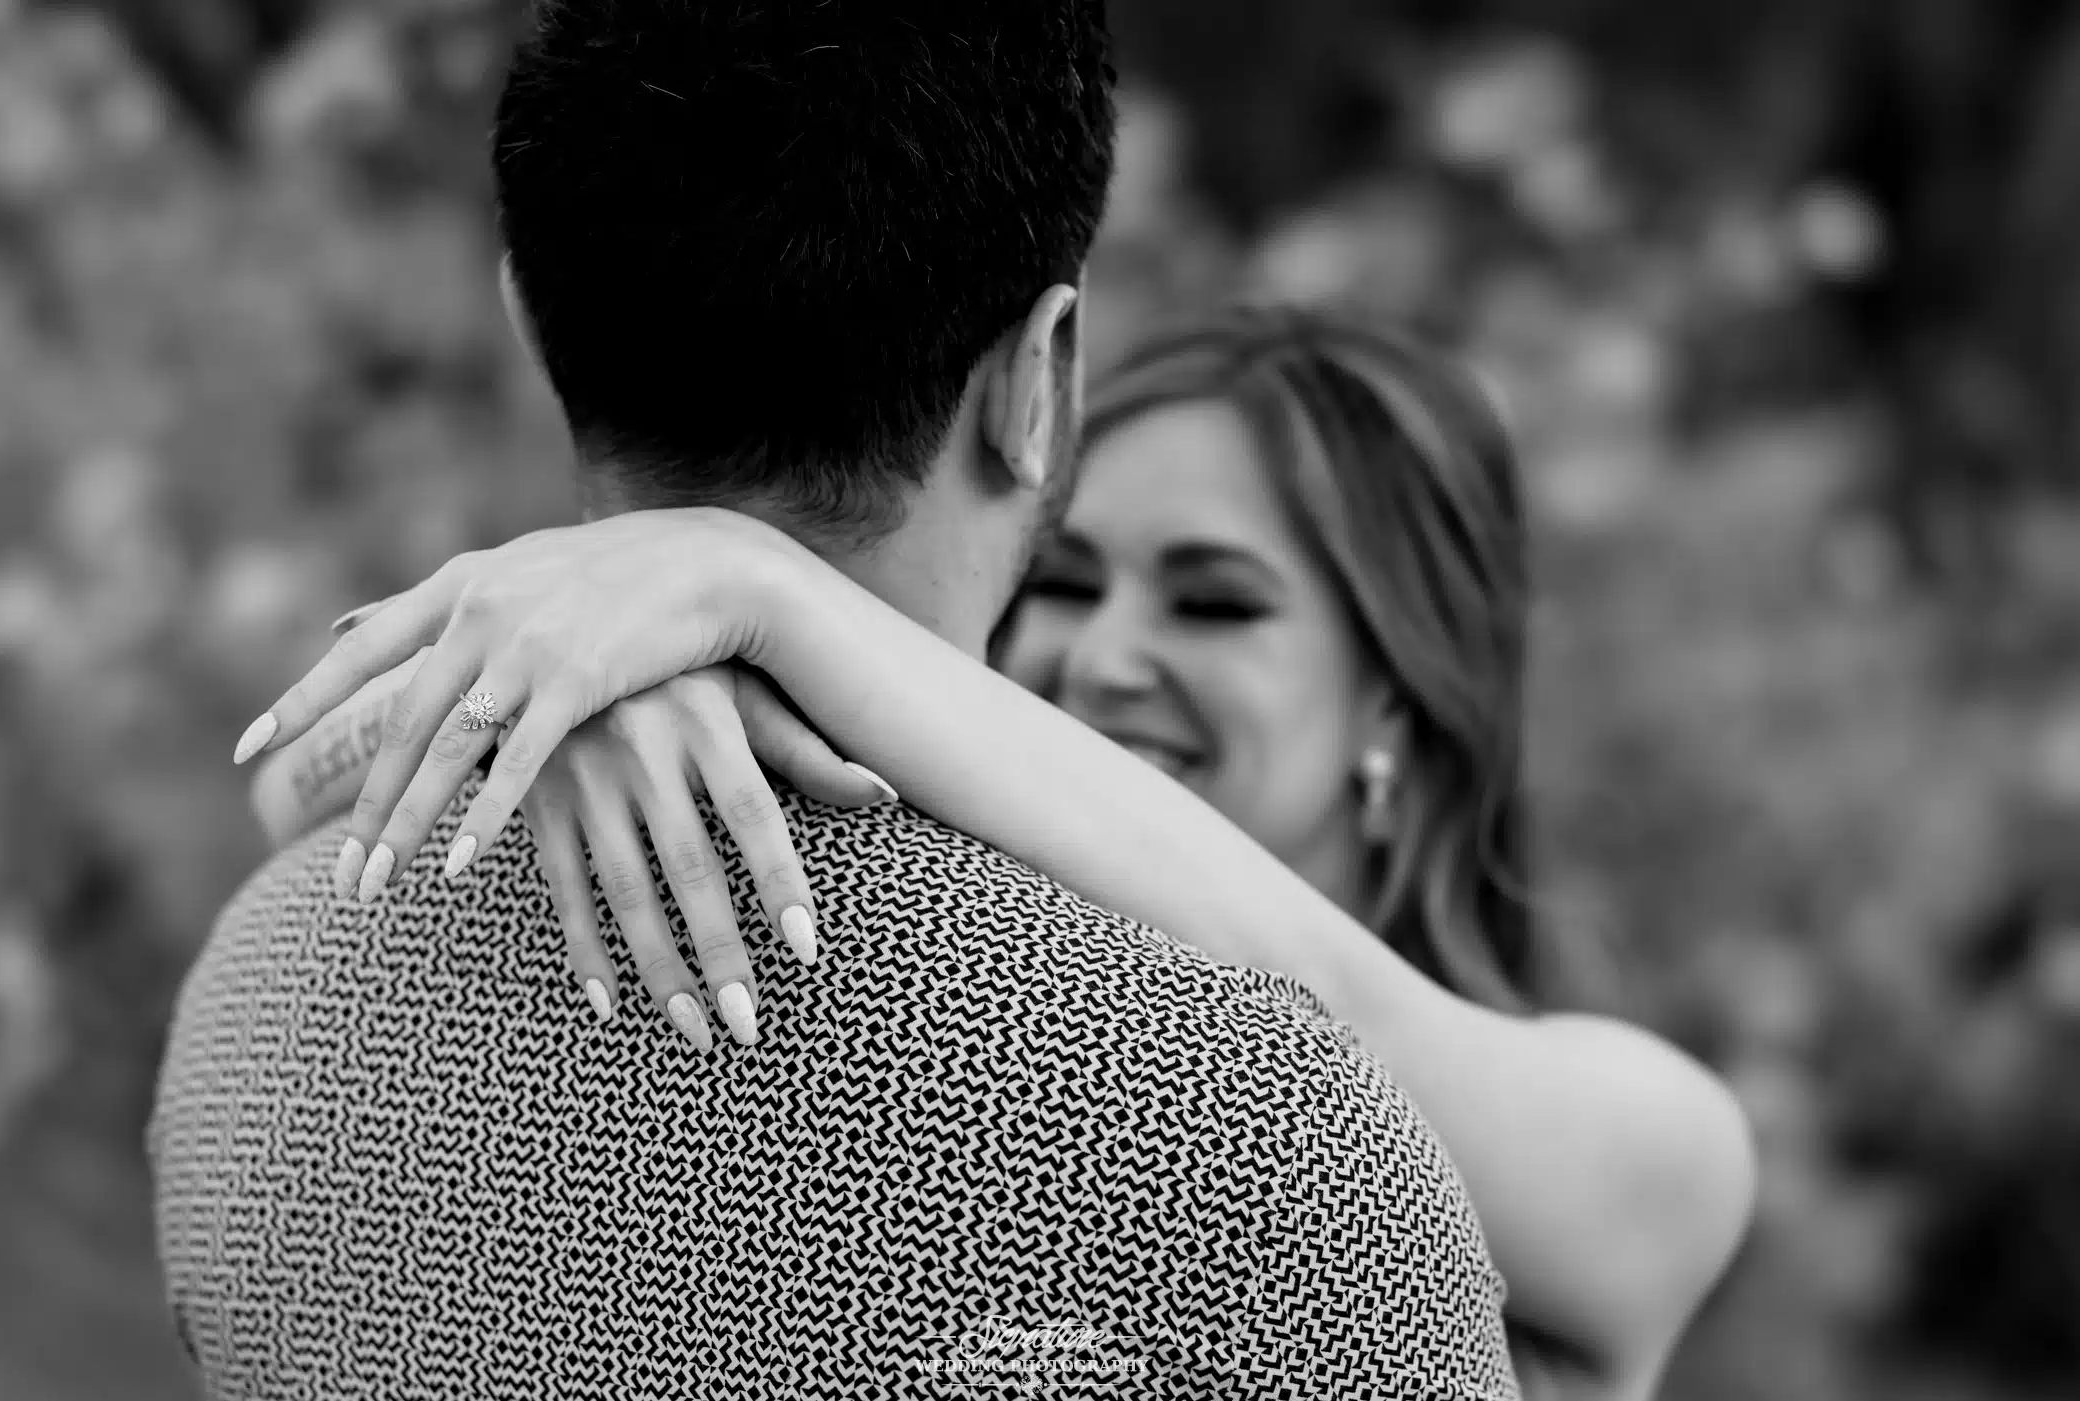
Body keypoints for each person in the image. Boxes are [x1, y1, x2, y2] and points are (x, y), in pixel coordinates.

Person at [149, 3, 1526, 1398]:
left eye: (1218, 604)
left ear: (528, 321)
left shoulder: (254, 1006)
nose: (1114, 660)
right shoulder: (1268, 1167)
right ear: (1041, 379)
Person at [242, 310, 1757, 1399]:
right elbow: (286, 795)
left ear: (1400, 698)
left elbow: (1325, 1003)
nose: (1101, 659)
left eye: (1215, 604)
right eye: (1071, 580)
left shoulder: (1657, 1137)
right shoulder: (996, 998)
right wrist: (581, 676)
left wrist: (749, 582)